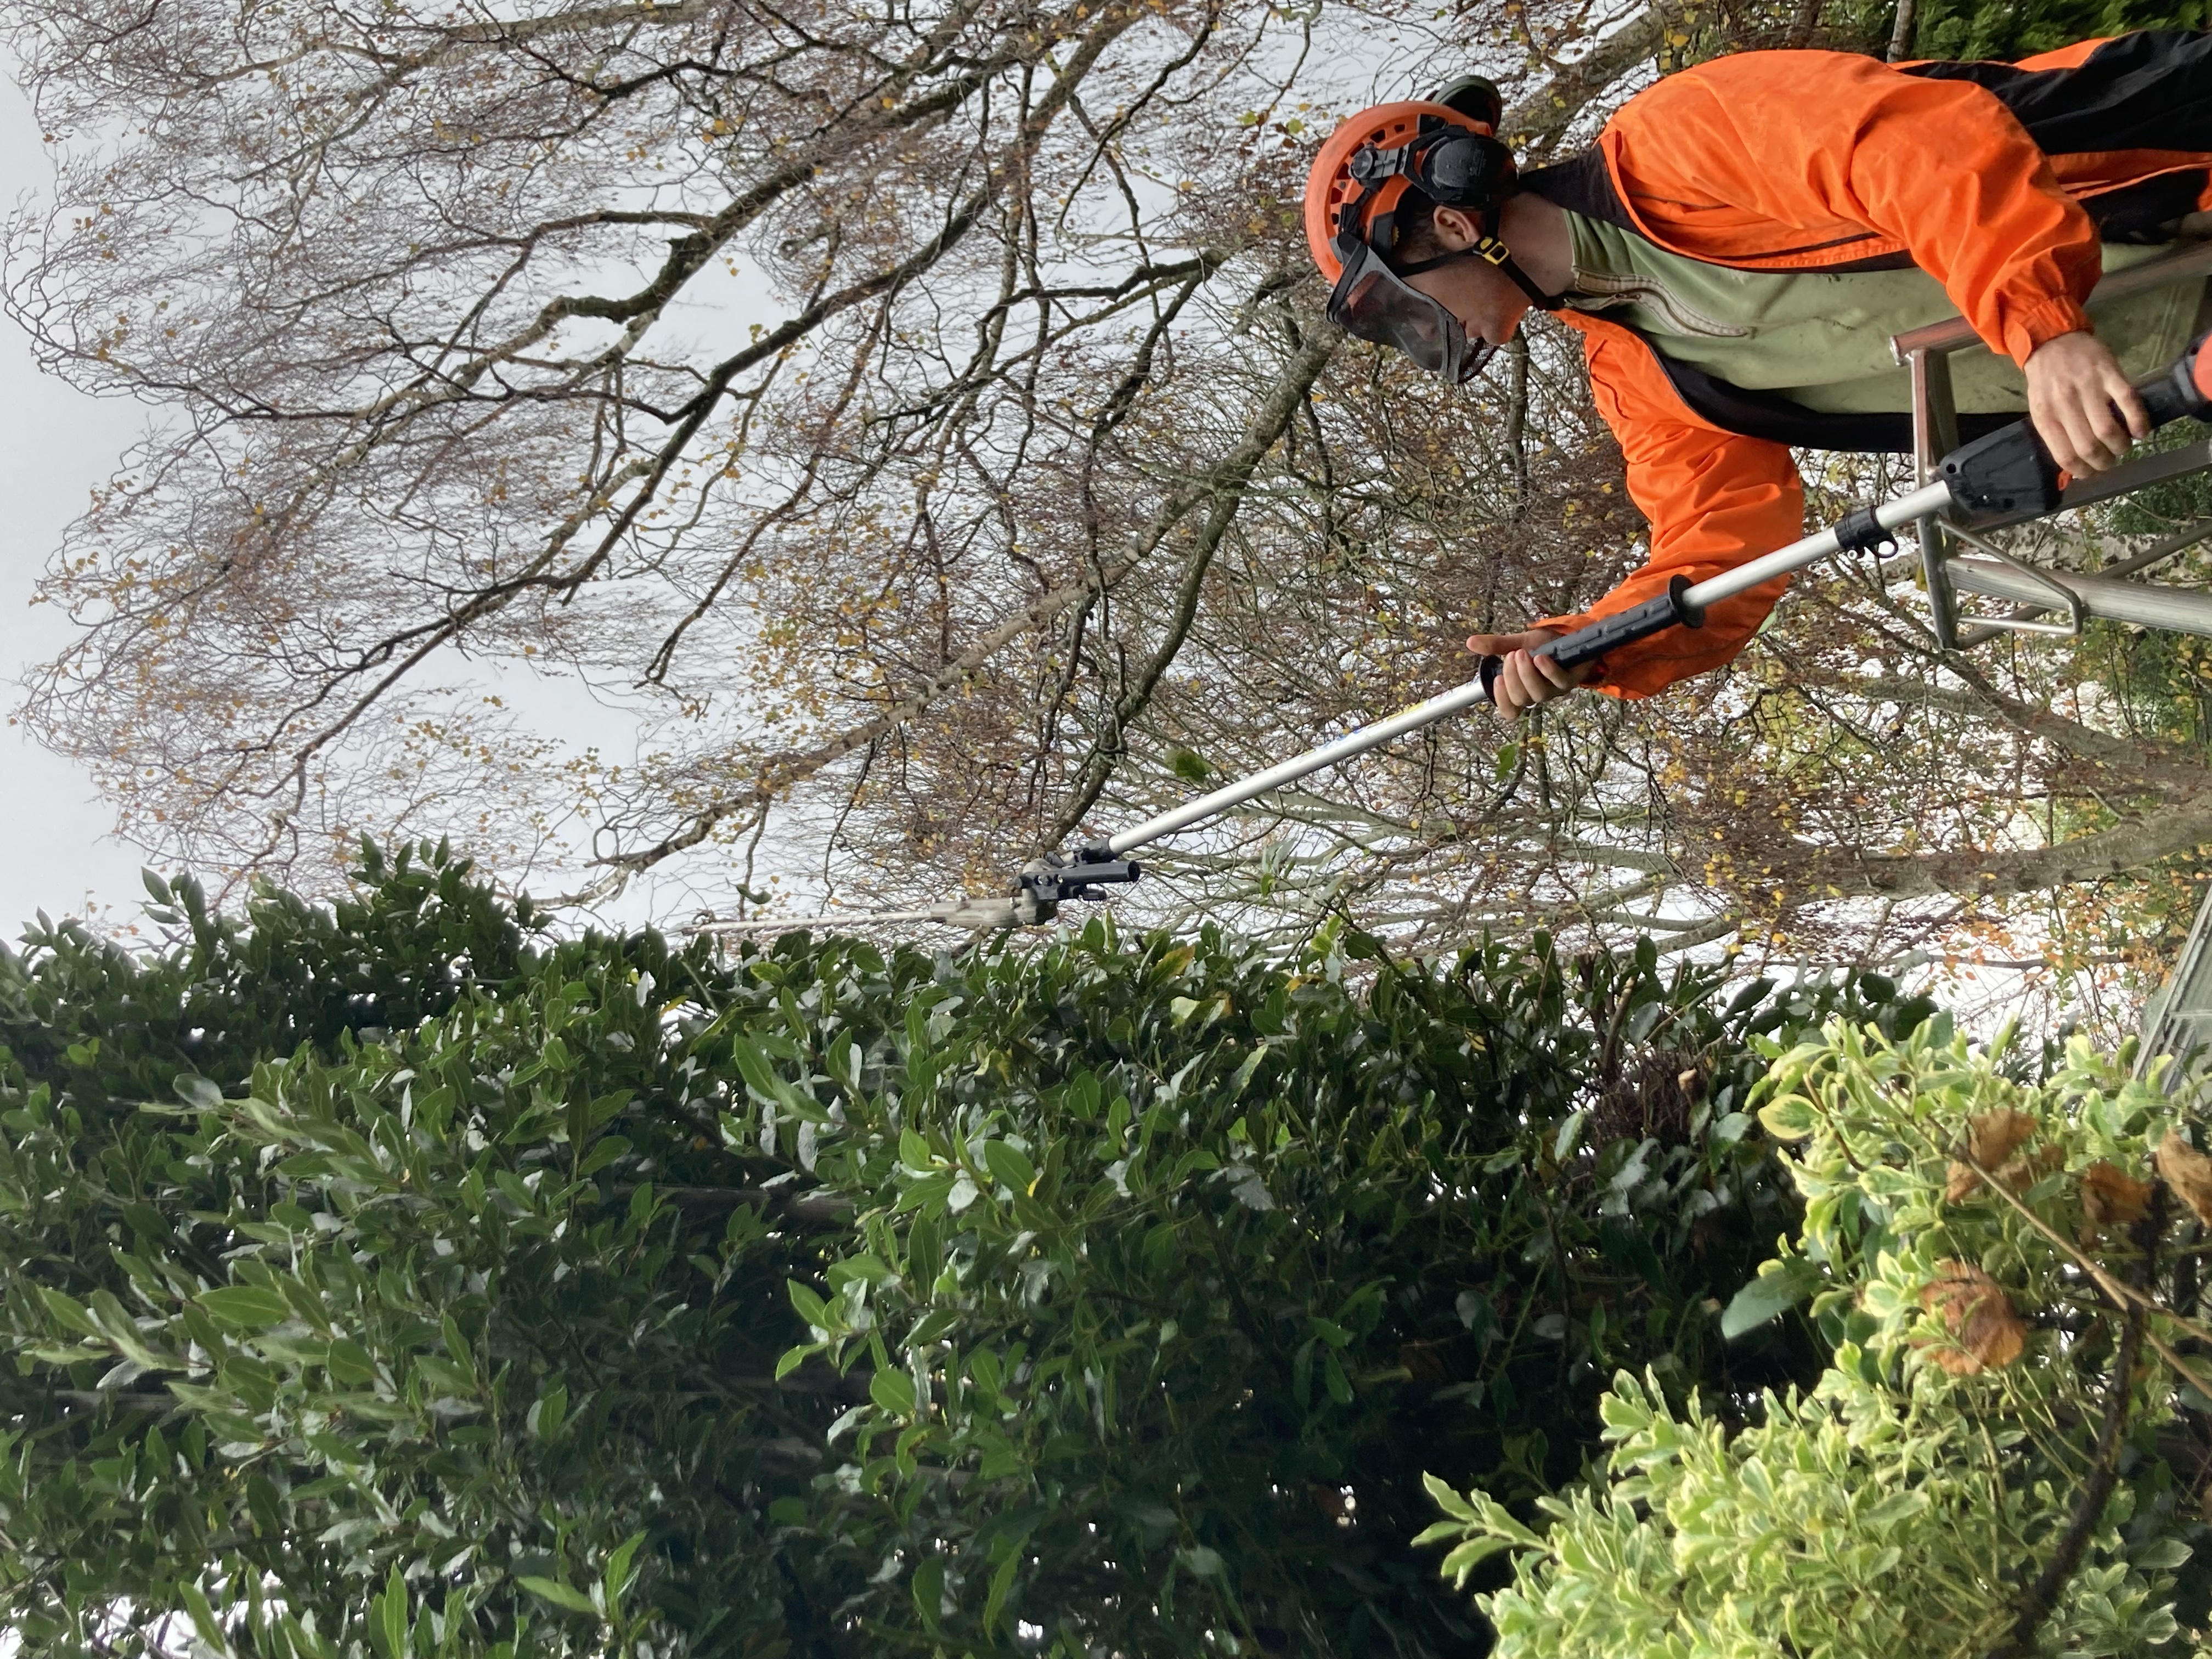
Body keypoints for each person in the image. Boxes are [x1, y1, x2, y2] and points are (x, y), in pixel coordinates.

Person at [1305, 30, 2212, 716]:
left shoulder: (1674, 139)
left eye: (1402, 305)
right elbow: (1718, 545)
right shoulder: (1633, 376)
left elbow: (1915, 150)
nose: (1423, 336)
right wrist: (1589, 645)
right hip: (2183, 365)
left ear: (1456, 224)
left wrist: (2045, 329)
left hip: (2186, 176)